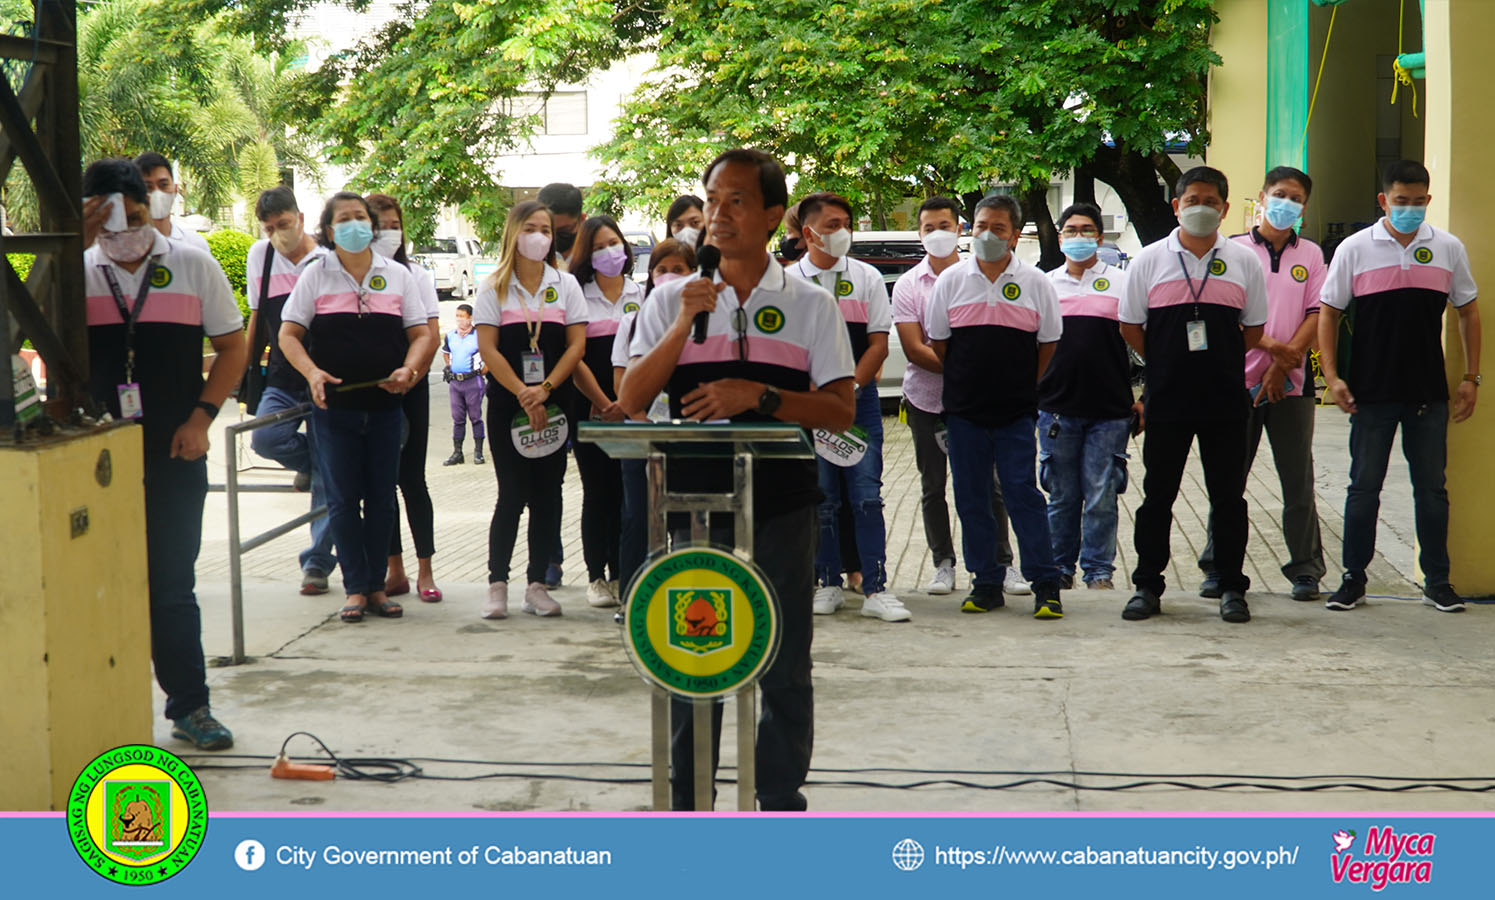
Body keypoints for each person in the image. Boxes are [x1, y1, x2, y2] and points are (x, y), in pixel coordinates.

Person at [620, 148, 855, 811]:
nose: (717, 217)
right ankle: (690, 799)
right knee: (694, 654)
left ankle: (778, 797)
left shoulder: (810, 304)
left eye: (736, 202)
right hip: (689, 509)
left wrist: (760, 395)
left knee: (782, 660)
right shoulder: (670, 297)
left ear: (775, 216)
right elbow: (633, 400)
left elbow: (839, 407)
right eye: (711, 201)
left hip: (781, 508)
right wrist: (682, 323)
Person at [82, 158, 248, 749]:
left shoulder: (192, 264)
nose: (120, 230)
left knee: (172, 585)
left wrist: (202, 418)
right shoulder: (74, 271)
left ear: (147, 207)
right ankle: (97, 707)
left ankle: (190, 705)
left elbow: (233, 347)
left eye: (130, 215)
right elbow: (25, 335)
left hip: (175, 449)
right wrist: (73, 247)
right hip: (91, 459)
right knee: (96, 582)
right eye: (105, 220)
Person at [1317, 159, 1481, 613]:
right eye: (1400, 201)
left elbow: (1467, 310)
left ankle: (1438, 581)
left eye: (1417, 201)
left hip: (1428, 392)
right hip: (1369, 393)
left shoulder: (1447, 248)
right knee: (1363, 487)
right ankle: (1353, 580)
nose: (1409, 208)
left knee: (1431, 488)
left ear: (1428, 200)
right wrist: (1332, 377)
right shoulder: (1354, 249)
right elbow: (1328, 312)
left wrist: (1471, 378)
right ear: (1383, 200)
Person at [1118, 166, 1269, 624]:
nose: (1199, 208)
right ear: (1175, 206)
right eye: (1191, 200)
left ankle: (1230, 586)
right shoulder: (1148, 259)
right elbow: (1129, 325)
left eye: (1209, 201)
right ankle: (1147, 584)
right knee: (1158, 495)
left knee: (1228, 498)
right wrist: (1166, 364)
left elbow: (1255, 328)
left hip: (1225, 397)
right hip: (1167, 399)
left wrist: (1218, 361)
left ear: (1225, 209)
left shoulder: (1244, 261)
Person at [278, 192, 434, 623]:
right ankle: (356, 589)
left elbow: (421, 334)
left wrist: (409, 369)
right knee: (344, 501)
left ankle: (379, 587)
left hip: (385, 407)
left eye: (360, 217)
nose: (354, 225)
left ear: (373, 225)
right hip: (335, 410)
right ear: (329, 231)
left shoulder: (398, 274)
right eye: (343, 219)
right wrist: (312, 373)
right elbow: (289, 335)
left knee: (382, 499)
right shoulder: (315, 275)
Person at [925, 194, 1065, 618]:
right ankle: (985, 582)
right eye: (981, 226)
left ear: (1015, 235)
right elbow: (940, 343)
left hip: (1017, 412)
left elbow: (1048, 344)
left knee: (1022, 493)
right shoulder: (951, 281)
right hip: (964, 412)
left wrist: (1019, 384)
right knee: (971, 496)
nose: (988, 235)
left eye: (998, 228)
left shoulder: (1036, 283)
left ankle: (1045, 583)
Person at [1197, 167, 1327, 602]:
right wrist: (1275, 351)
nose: (1285, 202)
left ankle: (1305, 570)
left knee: (1298, 481)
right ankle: (1218, 565)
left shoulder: (1310, 254)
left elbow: (1316, 313)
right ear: (1262, 196)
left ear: (1304, 207)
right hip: (1237, 381)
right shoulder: (1231, 250)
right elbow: (1226, 314)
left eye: (1295, 197)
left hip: (1292, 385)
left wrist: (1285, 363)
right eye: (1279, 194)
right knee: (1228, 478)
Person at [893, 196, 1028, 597]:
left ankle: (1002, 563)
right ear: (919, 234)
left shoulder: (982, 276)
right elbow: (915, 347)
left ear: (960, 229)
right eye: (928, 228)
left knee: (992, 486)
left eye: (944, 226)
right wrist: (967, 371)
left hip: (979, 405)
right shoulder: (907, 285)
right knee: (933, 485)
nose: (937, 234)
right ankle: (943, 563)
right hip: (926, 401)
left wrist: (975, 375)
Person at [786, 192, 906, 622]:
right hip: (809, 404)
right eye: (832, 224)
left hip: (859, 403)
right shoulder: (788, 282)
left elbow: (877, 343)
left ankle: (875, 587)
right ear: (808, 233)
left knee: (865, 496)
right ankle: (828, 584)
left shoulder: (868, 277)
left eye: (845, 223)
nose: (842, 232)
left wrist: (850, 385)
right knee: (822, 499)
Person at [473, 199, 589, 619]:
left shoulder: (565, 285)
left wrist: (547, 388)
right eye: (530, 228)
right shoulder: (493, 288)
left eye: (545, 229)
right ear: (513, 233)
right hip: (509, 405)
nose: (539, 236)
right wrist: (524, 392)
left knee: (549, 496)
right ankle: (496, 583)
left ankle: (536, 583)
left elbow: (577, 344)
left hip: (555, 404)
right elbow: (488, 347)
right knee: (511, 495)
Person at [1038, 202, 1137, 591]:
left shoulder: (1121, 282)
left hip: (1110, 409)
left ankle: (1099, 572)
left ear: (1099, 235)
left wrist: (1144, 396)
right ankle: (1059, 569)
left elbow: (1141, 344)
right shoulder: (1044, 284)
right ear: (1060, 237)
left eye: (1086, 230)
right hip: (1057, 410)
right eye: (1071, 230)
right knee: (1061, 496)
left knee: (1101, 496)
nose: (1078, 237)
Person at [243, 185, 337, 595]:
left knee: (327, 477)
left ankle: (316, 563)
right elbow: (256, 316)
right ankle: (311, 462)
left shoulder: (328, 259)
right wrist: (244, 370)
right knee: (265, 438)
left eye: (283, 224)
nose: (278, 235)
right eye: (269, 228)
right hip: (282, 376)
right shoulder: (260, 257)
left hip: (326, 378)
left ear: (300, 217)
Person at [366, 193, 444, 604]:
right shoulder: (354, 275)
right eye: (380, 224)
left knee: (412, 480)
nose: (389, 232)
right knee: (381, 484)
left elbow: (430, 335)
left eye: (395, 224)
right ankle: (393, 568)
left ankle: (425, 569)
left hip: (409, 389)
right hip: (372, 392)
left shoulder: (418, 276)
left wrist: (410, 379)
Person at [614, 239, 697, 601]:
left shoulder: (704, 323)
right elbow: (623, 385)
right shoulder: (633, 321)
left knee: (684, 520)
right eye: (661, 270)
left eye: (678, 270)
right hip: (641, 436)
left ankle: (684, 591)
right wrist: (642, 419)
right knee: (639, 518)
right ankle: (633, 596)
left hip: (688, 439)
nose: (668, 277)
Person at [568, 214, 640, 608]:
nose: (608, 252)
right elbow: (574, 355)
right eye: (597, 246)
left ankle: (623, 574)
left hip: (633, 408)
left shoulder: (641, 293)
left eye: (613, 243)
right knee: (598, 491)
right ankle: (596, 576)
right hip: (589, 406)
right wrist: (601, 401)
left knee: (629, 492)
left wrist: (627, 404)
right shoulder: (577, 294)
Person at [535, 182, 584, 586]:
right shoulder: (531, 265)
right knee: (546, 481)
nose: (552, 237)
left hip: (584, 389)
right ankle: (549, 559)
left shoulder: (592, 261)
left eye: (561, 229)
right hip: (539, 387)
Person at [134, 151, 210, 252]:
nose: (157, 193)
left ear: (175, 190)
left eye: (163, 185)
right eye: (148, 187)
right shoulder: (125, 248)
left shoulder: (196, 245)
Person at [442, 303, 487, 465]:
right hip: (456, 383)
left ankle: (478, 452)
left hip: (473, 381)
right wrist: (449, 367)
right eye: (457, 316)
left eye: (462, 316)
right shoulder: (451, 335)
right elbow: (446, 353)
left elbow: (489, 355)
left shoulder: (478, 335)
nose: (459, 320)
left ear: (470, 318)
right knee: (458, 419)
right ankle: (457, 452)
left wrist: (482, 371)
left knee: (475, 417)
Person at [537, 182, 586, 261]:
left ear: (582, 219)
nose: (555, 237)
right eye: (546, 230)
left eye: (564, 230)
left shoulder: (595, 254)